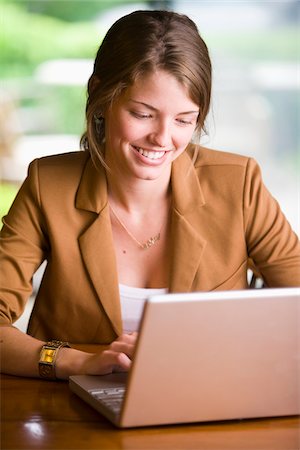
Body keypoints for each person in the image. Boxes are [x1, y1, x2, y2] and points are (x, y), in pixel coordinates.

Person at [1, 10, 299, 381]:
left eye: (183, 120)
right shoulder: (49, 184)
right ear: (99, 95)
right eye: (143, 114)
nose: (163, 139)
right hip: (71, 413)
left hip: (212, 400)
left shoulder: (240, 184)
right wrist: (78, 363)